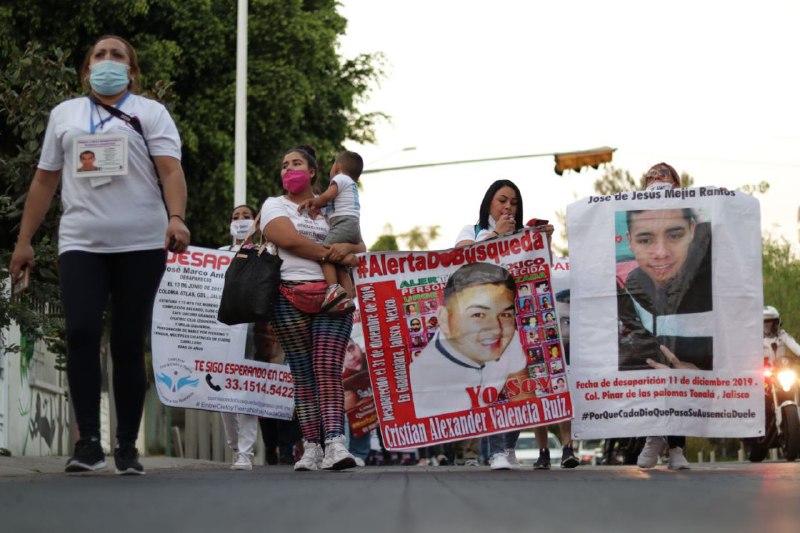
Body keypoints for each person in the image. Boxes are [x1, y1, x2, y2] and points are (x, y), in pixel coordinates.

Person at [9, 35, 190, 475]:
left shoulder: (151, 113)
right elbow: (44, 182)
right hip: (81, 243)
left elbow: (170, 169)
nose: (108, 61)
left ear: (132, 71)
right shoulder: (64, 115)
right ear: (87, 69)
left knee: (128, 342)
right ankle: (88, 442)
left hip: (142, 243)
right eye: (99, 55)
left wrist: (176, 218)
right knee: (82, 333)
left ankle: (126, 446)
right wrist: (24, 241)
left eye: (118, 56)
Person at [260, 145, 365, 471]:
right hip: (287, 297)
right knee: (303, 375)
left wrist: (347, 251)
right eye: (284, 165)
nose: (288, 169)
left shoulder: (332, 204)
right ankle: (311, 448)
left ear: (313, 172)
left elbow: (360, 244)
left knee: (327, 369)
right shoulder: (273, 205)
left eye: (296, 163)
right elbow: (286, 239)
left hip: (332, 298)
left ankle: (335, 443)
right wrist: (333, 254)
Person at [450, 179, 554, 471]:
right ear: (489, 204)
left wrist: (545, 241)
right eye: (502, 200)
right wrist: (497, 235)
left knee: (518, 384)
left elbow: (541, 271)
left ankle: (506, 448)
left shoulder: (523, 236)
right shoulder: (471, 232)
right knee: (494, 384)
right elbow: (460, 259)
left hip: (518, 320)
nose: (509, 207)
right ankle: (495, 450)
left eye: (514, 202)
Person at [622, 163, 699, 470]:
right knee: (657, 367)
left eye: (662, 176)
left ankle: (677, 447)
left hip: (685, 337)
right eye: (650, 177)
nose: (656, 181)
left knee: (678, 373)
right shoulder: (634, 281)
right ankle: (655, 435)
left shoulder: (697, 271)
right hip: (653, 342)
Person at [408, 262, 526, 419]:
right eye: (478, 315)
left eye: (505, 315)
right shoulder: (420, 379)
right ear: (444, 319)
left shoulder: (511, 338)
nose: (496, 329)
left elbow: (523, 399)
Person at [218, 205, 260, 470]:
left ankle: (245, 451)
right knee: (223, 396)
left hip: (251, 332)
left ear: (256, 223)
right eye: (235, 218)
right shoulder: (218, 255)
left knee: (248, 392)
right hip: (221, 331)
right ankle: (235, 446)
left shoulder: (264, 253)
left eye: (246, 217)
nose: (241, 221)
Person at [297, 150, 363, 313]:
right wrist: (321, 209)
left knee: (325, 254)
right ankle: (348, 297)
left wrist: (315, 202)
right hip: (352, 225)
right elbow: (332, 206)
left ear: (337, 167)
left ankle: (333, 290)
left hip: (343, 223)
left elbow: (327, 197)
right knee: (338, 261)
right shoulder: (351, 185)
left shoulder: (339, 178)